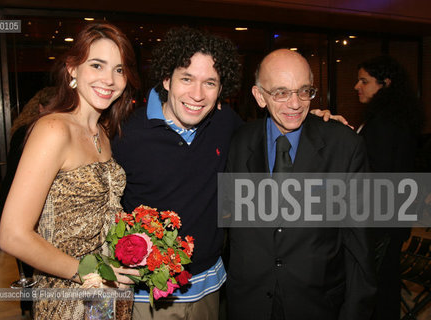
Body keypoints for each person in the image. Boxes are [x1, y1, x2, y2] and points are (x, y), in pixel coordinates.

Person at [0, 23, 140, 319]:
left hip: (105, 292)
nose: (110, 79)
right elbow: (12, 235)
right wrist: (87, 273)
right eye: (97, 65)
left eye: (119, 69)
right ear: (73, 69)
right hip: (69, 294)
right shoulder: (53, 129)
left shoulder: (102, 131)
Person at [225, 49, 376, 320]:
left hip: (318, 305)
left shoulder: (344, 146)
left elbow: (359, 246)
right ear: (260, 96)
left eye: (304, 91)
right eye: (281, 92)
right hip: (248, 304)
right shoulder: (237, 143)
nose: (295, 104)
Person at [112, 26, 243, 319]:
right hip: (150, 297)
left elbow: (268, 138)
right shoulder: (126, 135)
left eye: (210, 83)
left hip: (211, 288)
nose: (197, 95)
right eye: (187, 79)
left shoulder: (225, 123)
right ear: (167, 79)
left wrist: (315, 121)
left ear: (221, 90)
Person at [354, 55, 423, 320]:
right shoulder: (395, 119)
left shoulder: (383, 123)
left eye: (365, 81)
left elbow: (375, 175)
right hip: (394, 218)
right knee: (386, 286)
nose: (357, 86)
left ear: (386, 84)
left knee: (377, 289)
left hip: (380, 221)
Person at [0, 86, 56, 317]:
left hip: (13, 197)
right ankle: (32, 306)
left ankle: (29, 306)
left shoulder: (26, 129)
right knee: (30, 261)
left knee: (28, 263)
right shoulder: (32, 132)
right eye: (52, 108)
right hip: (20, 201)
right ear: (41, 108)